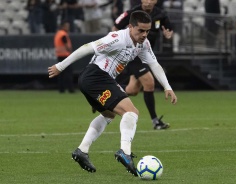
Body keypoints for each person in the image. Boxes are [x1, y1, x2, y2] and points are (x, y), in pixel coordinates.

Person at [48, 10, 177, 175]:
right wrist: (60, 66)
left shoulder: (143, 44)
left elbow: (154, 64)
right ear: (130, 27)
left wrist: (167, 87)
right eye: (141, 30)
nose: (144, 34)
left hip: (94, 80)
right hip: (96, 76)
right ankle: (125, 151)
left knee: (109, 115)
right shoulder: (116, 38)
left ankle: (82, 150)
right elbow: (87, 48)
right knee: (131, 112)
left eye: (147, 31)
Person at [113, 0, 174, 130]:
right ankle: (155, 121)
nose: (147, 2)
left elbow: (169, 29)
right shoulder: (132, 13)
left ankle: (105, 93)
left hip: (146, 54)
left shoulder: (161, 15)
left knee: (132, 90)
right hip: (133, 54)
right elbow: (116, 25)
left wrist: (168, 34)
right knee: (149, 82)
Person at [53, 20, 75, 93]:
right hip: (65, 55)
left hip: (59, 55)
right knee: (68, 73)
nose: (68, 28)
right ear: (63, 26)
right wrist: (70, 51)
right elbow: (65, 44)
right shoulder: (63, 34)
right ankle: (70, 89)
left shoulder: (58, 33)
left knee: (61, 74)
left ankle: (61, 89)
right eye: (67, 26)